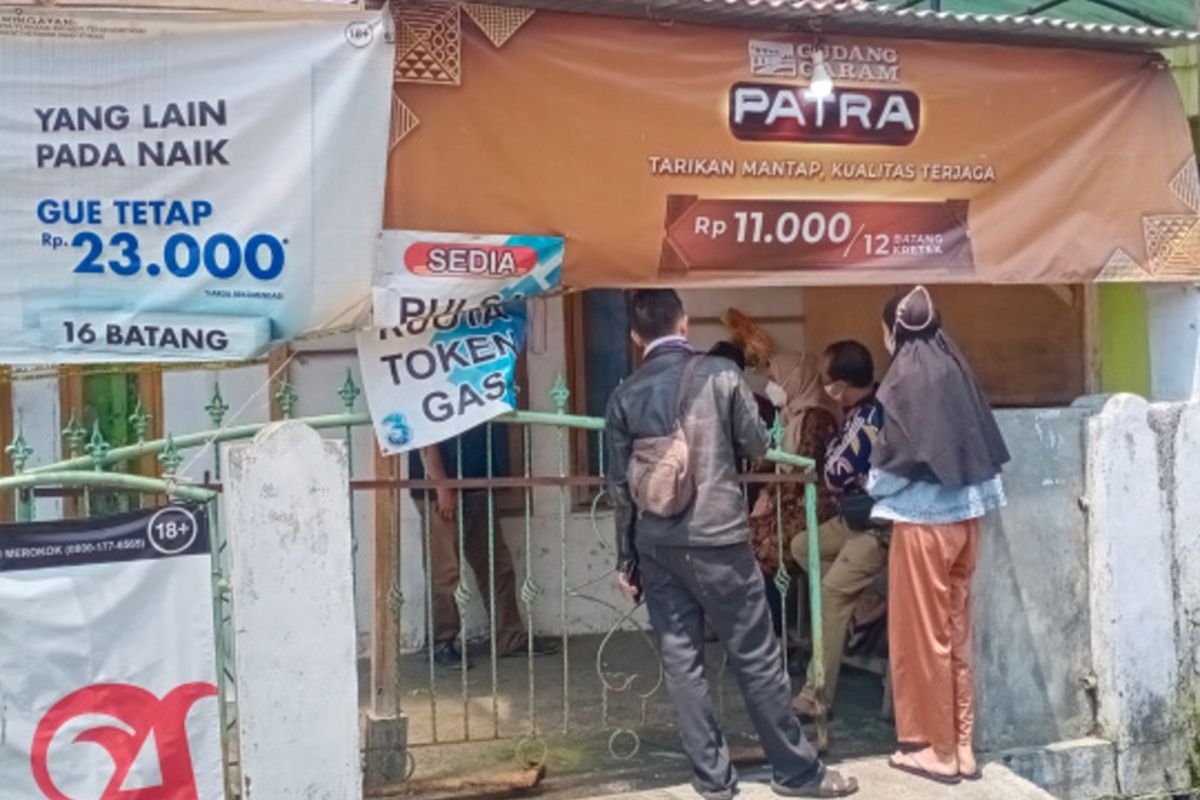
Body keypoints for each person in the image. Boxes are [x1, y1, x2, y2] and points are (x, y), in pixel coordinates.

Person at [606, 289, 857, 800]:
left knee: (682, 663)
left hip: (656, 545)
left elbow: (619, 488)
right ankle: (796, 773)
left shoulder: (624, 395)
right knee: (756, 657)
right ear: (685, 322)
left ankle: (713, 781)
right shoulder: (720, 376)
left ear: (636, 338)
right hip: (719, 538)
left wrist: (625, 559)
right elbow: (757, 444)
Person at [868, 287, 1009, 785]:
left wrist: (872, 481)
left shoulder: (907, 376)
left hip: (924, 526)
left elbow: (897, 459)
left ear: (895, 330)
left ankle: (933, 751)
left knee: (922, 638)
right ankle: (963, 747)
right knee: (955, 633)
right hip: (968, 521)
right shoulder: (955, 368)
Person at [790, 341, 888, 721]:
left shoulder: (867, 417)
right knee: (802, 547)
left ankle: (817, 696)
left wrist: (834, 457)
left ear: (842, 384)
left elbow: (834, 471)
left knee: (831, 596)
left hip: (876, 525)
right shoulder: (858, 410)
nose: (824, 387)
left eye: (828, 380)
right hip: (853, 518)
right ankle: (867, 607)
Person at [411, 425, 556, 669]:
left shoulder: (471, 387)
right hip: (441, 489)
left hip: (475, 482)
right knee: (445, 571)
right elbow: (424, 433)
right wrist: (441, 484)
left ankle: (509, 637)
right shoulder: (429, 388)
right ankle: (442, 643)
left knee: (497, 565)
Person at [748, 353, 840, 636]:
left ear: (794, 380)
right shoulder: (789, 417)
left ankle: (778, 631)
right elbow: (774, 461)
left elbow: (803, 469)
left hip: (814, 502)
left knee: (767, 548)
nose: (770, 386)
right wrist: (766, 488)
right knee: (747, 537)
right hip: (790, 501)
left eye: (774, 379)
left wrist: (769, 497)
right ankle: (767, 628)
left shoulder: (816, 417)